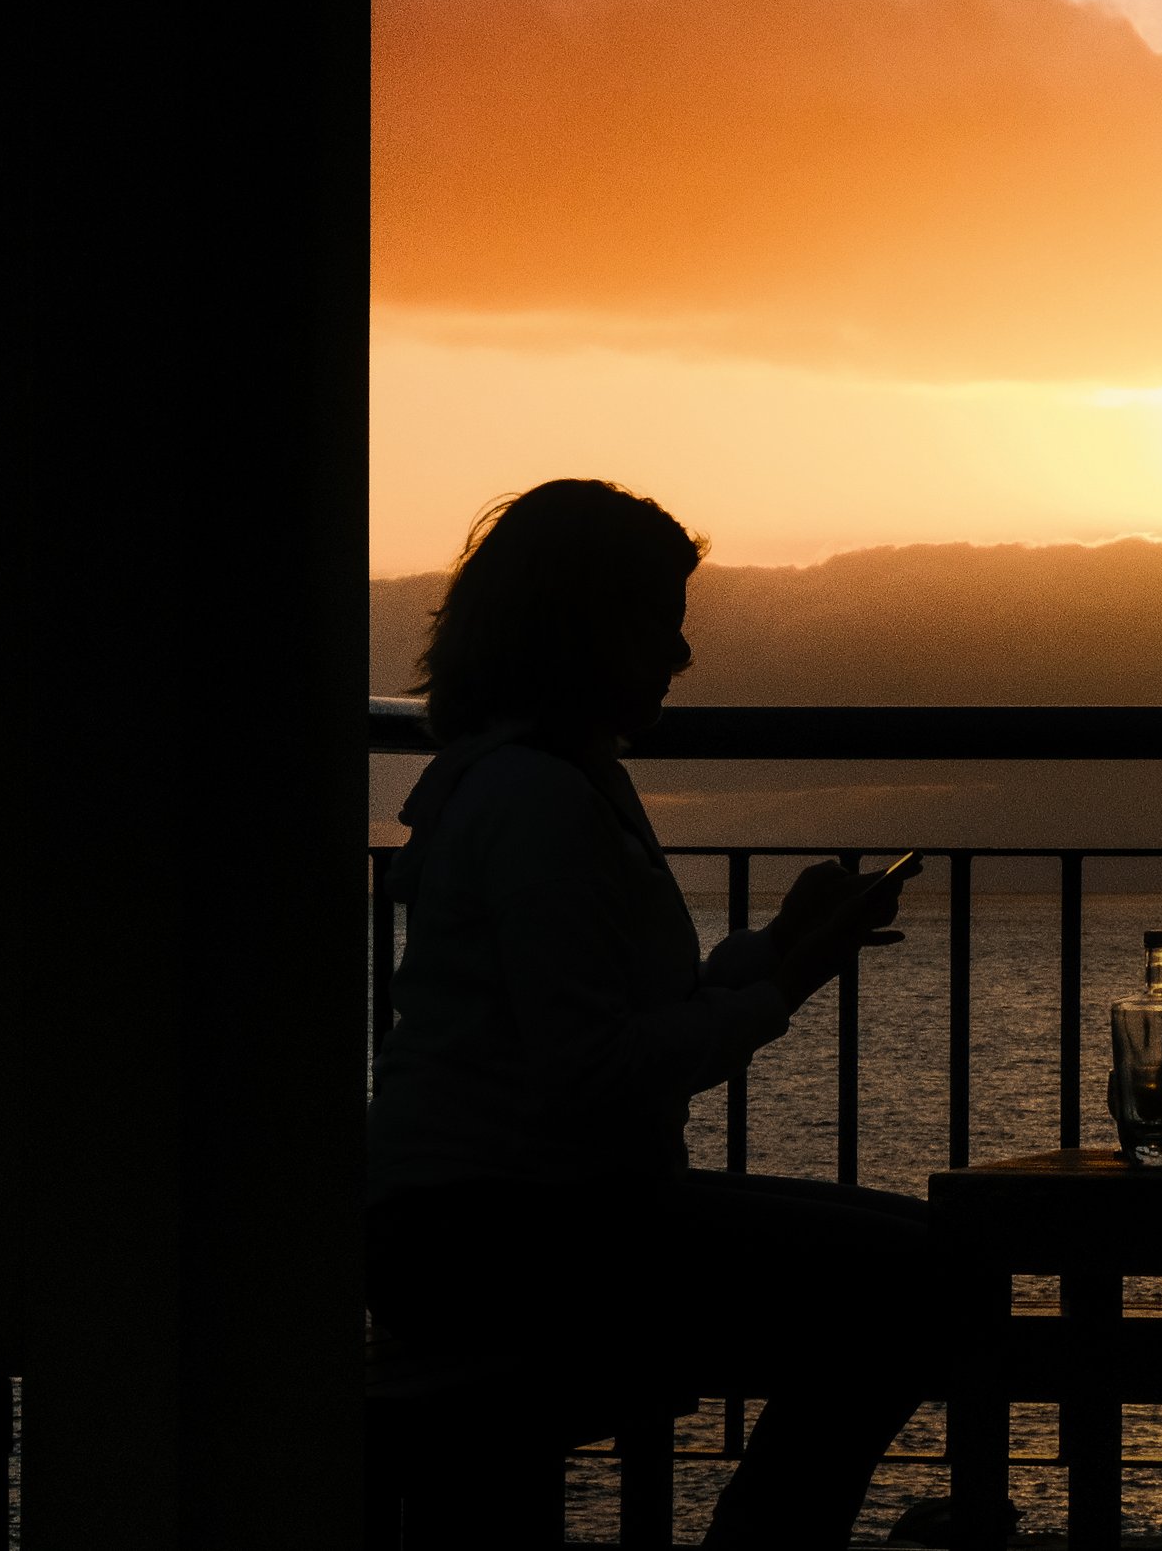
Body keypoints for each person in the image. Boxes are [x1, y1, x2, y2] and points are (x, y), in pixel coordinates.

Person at [364, 478, 933, 1550]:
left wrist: (780, 950)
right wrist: (783, 986)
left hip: (487, 1219)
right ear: (585, 628)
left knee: (927, 1261)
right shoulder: (539, 801)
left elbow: (614, 1021)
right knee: (919, 1279)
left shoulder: (539, 780)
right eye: (659, 622)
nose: (679, 653)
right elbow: (595, 1071)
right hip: (505, 1238)